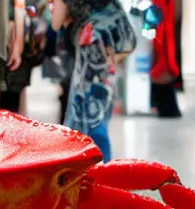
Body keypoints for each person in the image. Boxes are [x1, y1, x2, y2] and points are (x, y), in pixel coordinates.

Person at [50, 0, 136, 162]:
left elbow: (56, 22)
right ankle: (104, 170)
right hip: (105, 54)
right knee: (99, 119)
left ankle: (90, 174)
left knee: (85, 120)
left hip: (88, 51)